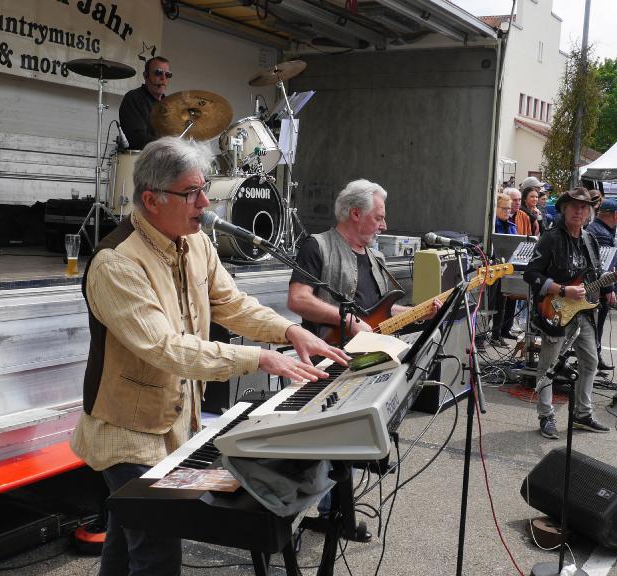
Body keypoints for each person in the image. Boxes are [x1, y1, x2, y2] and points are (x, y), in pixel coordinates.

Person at [70, 137, 349, 576]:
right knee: (157, 548)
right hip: (125, 432)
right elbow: (166, 348)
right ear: (151, 199)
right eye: (191, 193)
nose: (205, 202)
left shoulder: (196, 242)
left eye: (205, 188)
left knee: (129, 536)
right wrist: (259, 359)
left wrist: (290, 330)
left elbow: (232, 305)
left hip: (177, 423)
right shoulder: (116, 263)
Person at [524, 187, 617, 439]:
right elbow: (531, 274)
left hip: (582, 312)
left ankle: (582, 414)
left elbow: (593, 276)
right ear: (564, 209)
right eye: (574, 207)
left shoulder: (589, 239)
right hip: (555, 310)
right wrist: (562, 290)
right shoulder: (551, 238)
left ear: (589, 212)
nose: (579, 211)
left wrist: (614, 277)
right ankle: (546, 415)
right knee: (548, 366)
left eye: (584, 207)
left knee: (590, 362)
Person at [287, 179, 438, 343]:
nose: (384, 226)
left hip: (372, 353)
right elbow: (298, 299)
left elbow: (379, 313)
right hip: (330, 355)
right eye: (378, 218)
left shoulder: (377, 258)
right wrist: (348, 321)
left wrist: (417, 313)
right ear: (356, 214)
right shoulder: (317, 246)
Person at [586, 199, 617, 371]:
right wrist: (609, 289)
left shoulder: (598, 228)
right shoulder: (601, 233)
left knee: (595, 326)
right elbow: (601, 265)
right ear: (615, 214)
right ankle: (594, 359)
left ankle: (595, 357)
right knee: (596, 326)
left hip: (596, 286)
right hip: (598, 289)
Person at [119, 56, 171, 150]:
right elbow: (136, 138)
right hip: (141, 160)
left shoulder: (170, 105)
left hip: (165, 159)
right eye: (158, 73)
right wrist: (166, 146)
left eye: (167, 75)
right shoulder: (133, 98)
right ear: (145, 75)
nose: (163, 78)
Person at [491, 193, 518, 345]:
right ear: (496, 208)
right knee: (491, 305)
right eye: (504, 208)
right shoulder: (493, 226)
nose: (508, 211)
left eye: (509, 209)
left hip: (507, 270)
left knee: (502, 304)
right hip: (493, 270)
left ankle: (497, 334)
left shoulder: (512, 226)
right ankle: (485, 336)